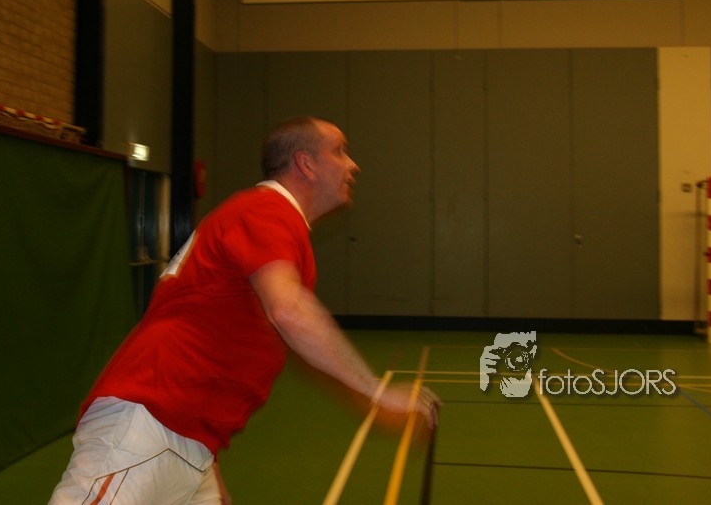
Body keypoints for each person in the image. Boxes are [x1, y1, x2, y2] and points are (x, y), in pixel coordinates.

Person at [48, 116, 439, 505]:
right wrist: (376, 391)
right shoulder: (266, 210)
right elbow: (289, 311)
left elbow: (214, 335)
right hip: (147, 426)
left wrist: (209, 469)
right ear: (306, 164)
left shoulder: (274, 226)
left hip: (189, 445)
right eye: (339, 151)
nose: (352, 165)